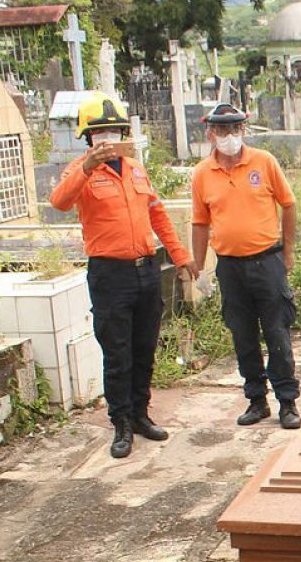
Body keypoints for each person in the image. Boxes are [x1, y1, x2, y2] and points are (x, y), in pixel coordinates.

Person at [49, 92, 196, 459]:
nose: (108, 139)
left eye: (114, 131)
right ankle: (122, 423)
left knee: (144, 347)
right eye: (100, 133)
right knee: (117, 353)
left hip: (145, 271)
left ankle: (142, 414)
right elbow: (60, 201)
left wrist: (180, 256)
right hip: (109, 275)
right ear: (88, 138)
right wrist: (87, 166)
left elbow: (157, 215)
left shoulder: (135, 170)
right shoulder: (80, 172)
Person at [190, 103, 301, 428]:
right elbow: (200, 223)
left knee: (277, 331)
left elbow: (289, 204)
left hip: (267, 262)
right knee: (242, 334)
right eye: (222, 130)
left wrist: (288, 251)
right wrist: (200, 267)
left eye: (235, 129)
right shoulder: (202, 174)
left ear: (243, 130)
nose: (229, 136)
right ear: (211, 132)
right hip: (230, 267)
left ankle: (287, 402)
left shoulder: (263, 162)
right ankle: (256, 400)